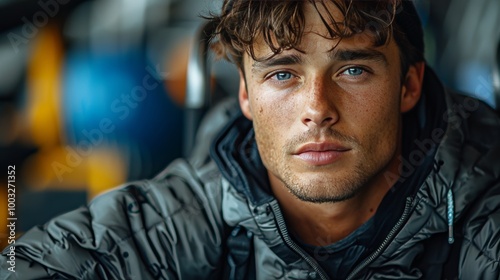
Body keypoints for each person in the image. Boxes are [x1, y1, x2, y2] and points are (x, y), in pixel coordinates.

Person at [2, 0, 500, 279]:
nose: (317, 110)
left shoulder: (481, 205)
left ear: (409, 85)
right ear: (245, 95)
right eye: (283, 75)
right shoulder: (196, 211)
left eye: (351, 69)